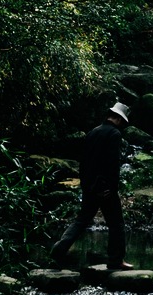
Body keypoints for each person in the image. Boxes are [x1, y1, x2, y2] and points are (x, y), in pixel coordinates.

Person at [51, 102, 132, 270]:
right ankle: (116, 260)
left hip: (89, 186)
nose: (123, 126)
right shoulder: (114, 134)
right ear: (117, 118)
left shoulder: (93, 132)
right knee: (116, 223)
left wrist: (87, 185)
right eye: (122, 122)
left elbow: (85, 163)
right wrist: (109, 188)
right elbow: (111, 165)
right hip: (105, 188)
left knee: (81, 220)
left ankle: (58, 250)